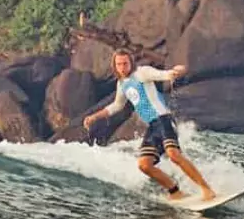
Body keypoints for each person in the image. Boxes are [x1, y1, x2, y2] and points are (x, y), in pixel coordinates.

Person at [83, 49, 216, 202]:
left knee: (174, 155)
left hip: (164, 119)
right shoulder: (122, 84)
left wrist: (175, 72)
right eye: (119, 64)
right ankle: (175, 192)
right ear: (114, 65)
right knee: (144, 165)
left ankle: (207, 190)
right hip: (153, 126)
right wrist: (94, 117)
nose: (122, 67)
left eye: (125, 63)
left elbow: (164, 75)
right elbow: (116, 106)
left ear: (131, 62)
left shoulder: (142, 73)